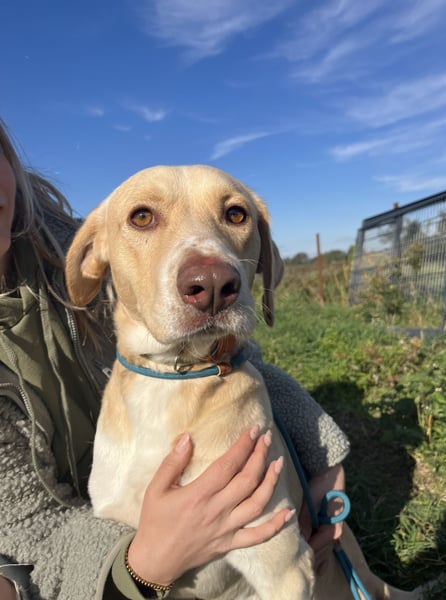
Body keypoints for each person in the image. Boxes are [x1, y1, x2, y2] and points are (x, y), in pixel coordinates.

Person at [0, 118, 348, 600]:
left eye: (233, 214)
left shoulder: (59, 245)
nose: (209, 271)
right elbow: (28, 532)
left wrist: (323, 455)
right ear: (94, 259)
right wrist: (142, 565)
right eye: (144, 218)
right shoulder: (98, 246)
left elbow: (238, 360)